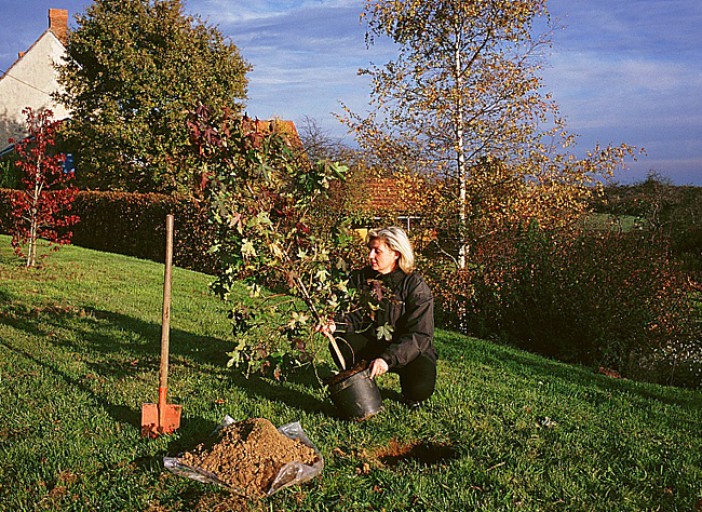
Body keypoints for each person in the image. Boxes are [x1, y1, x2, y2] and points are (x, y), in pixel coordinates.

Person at [321, 226, 437, 408]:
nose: (370, 256)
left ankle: (410, 393)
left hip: (410, 350)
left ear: (396, 253)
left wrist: (387, 359)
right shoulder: (361, 279)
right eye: (370, 250)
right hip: (376, 341)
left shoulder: (415, 286)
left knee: (420, 389)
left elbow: (420, 335)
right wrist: (335, 324)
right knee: (340, 343)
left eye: (377, 251)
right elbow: (355, 315)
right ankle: (360, 379)